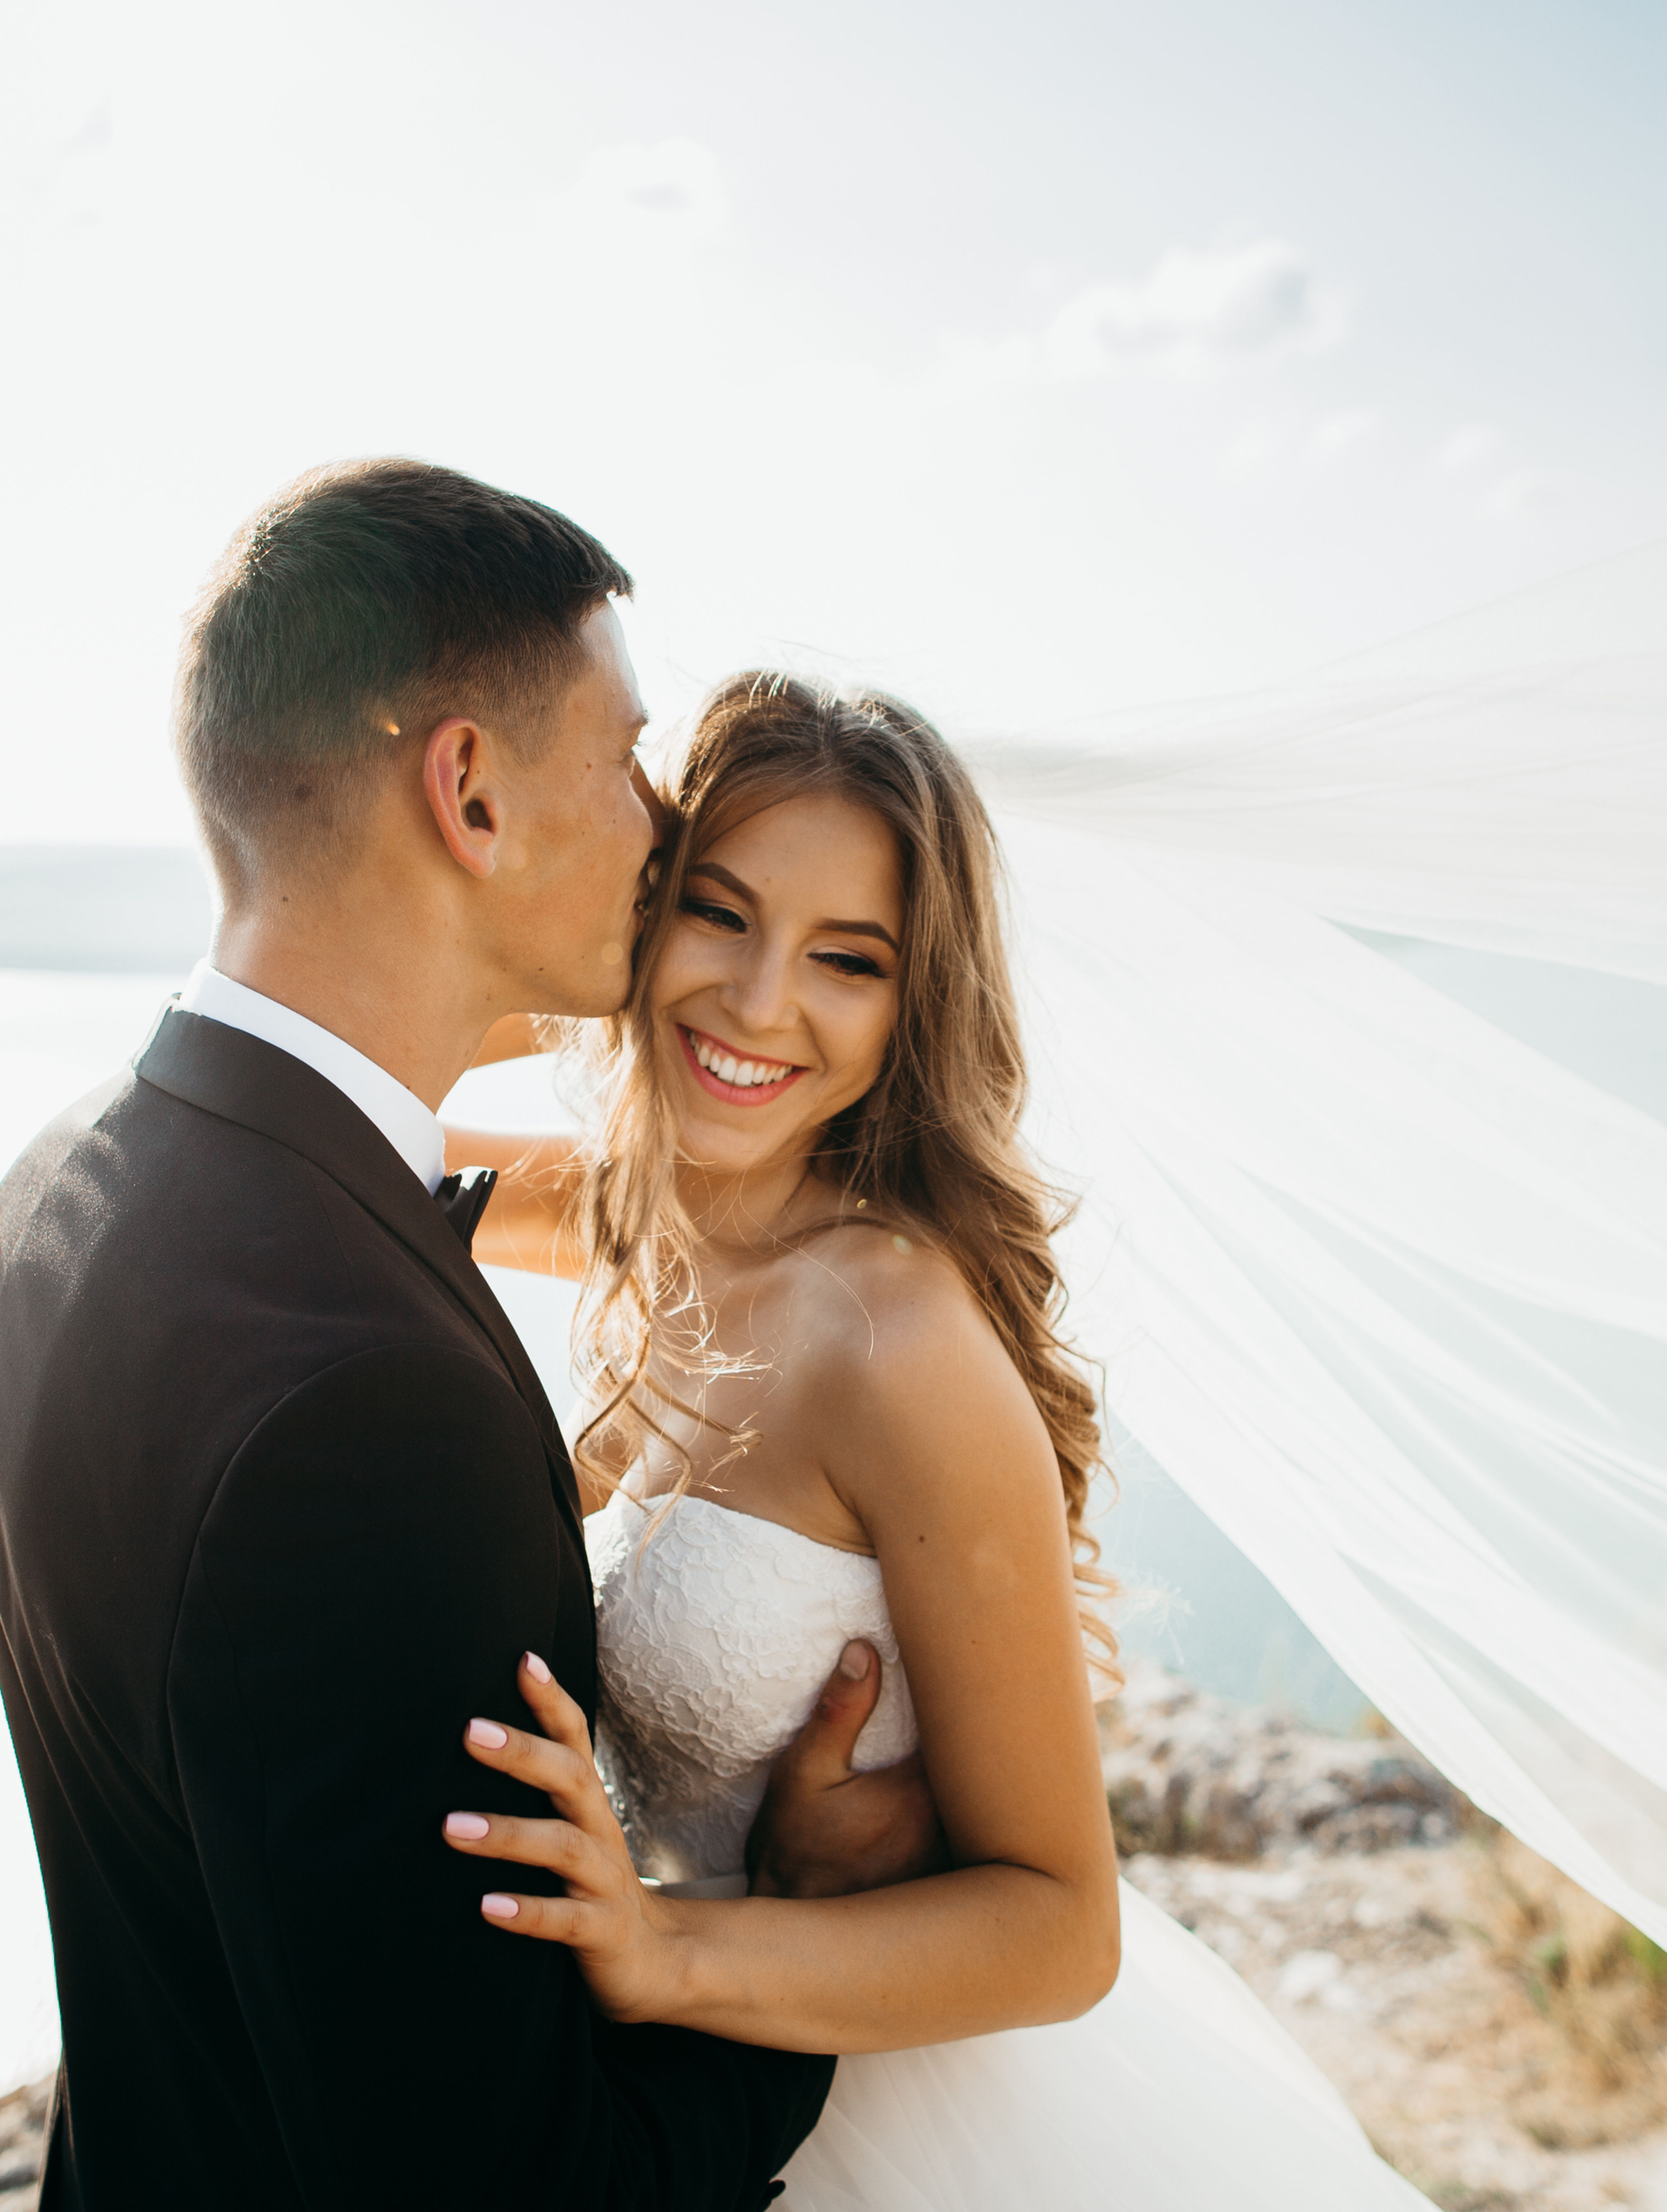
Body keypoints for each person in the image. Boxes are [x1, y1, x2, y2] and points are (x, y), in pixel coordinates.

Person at [0, 463, 943, 2210]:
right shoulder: (375, 1412)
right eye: (624, 758)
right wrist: (802, 1914)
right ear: (470, 791)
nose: (661, 821)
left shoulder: (48, 1197)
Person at [438, 673, 1435, 2207]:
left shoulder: (894, 1342)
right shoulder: (651, 1210)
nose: (759, 1000)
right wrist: (579, 952)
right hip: (695, 2086)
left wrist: (668, 1944)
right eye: (716, 911)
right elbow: (364, 1108)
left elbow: (1061, 1928)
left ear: (916, 1006)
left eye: (847, 958)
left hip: (899, 2107)